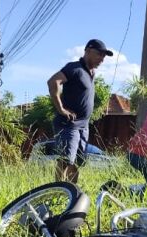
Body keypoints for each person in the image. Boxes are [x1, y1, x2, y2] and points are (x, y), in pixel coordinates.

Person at [46, 39, 113, 183]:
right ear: (87, 51)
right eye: (99, 54)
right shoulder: (74, 68)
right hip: (69, 124)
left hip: (84, 126)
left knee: (77, 162)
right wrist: (61, 109)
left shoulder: (91, 73)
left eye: (104, 56)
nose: (101, 59)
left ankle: (72, 192)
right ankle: (58, 191)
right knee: (65, 160)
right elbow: (53, 81)